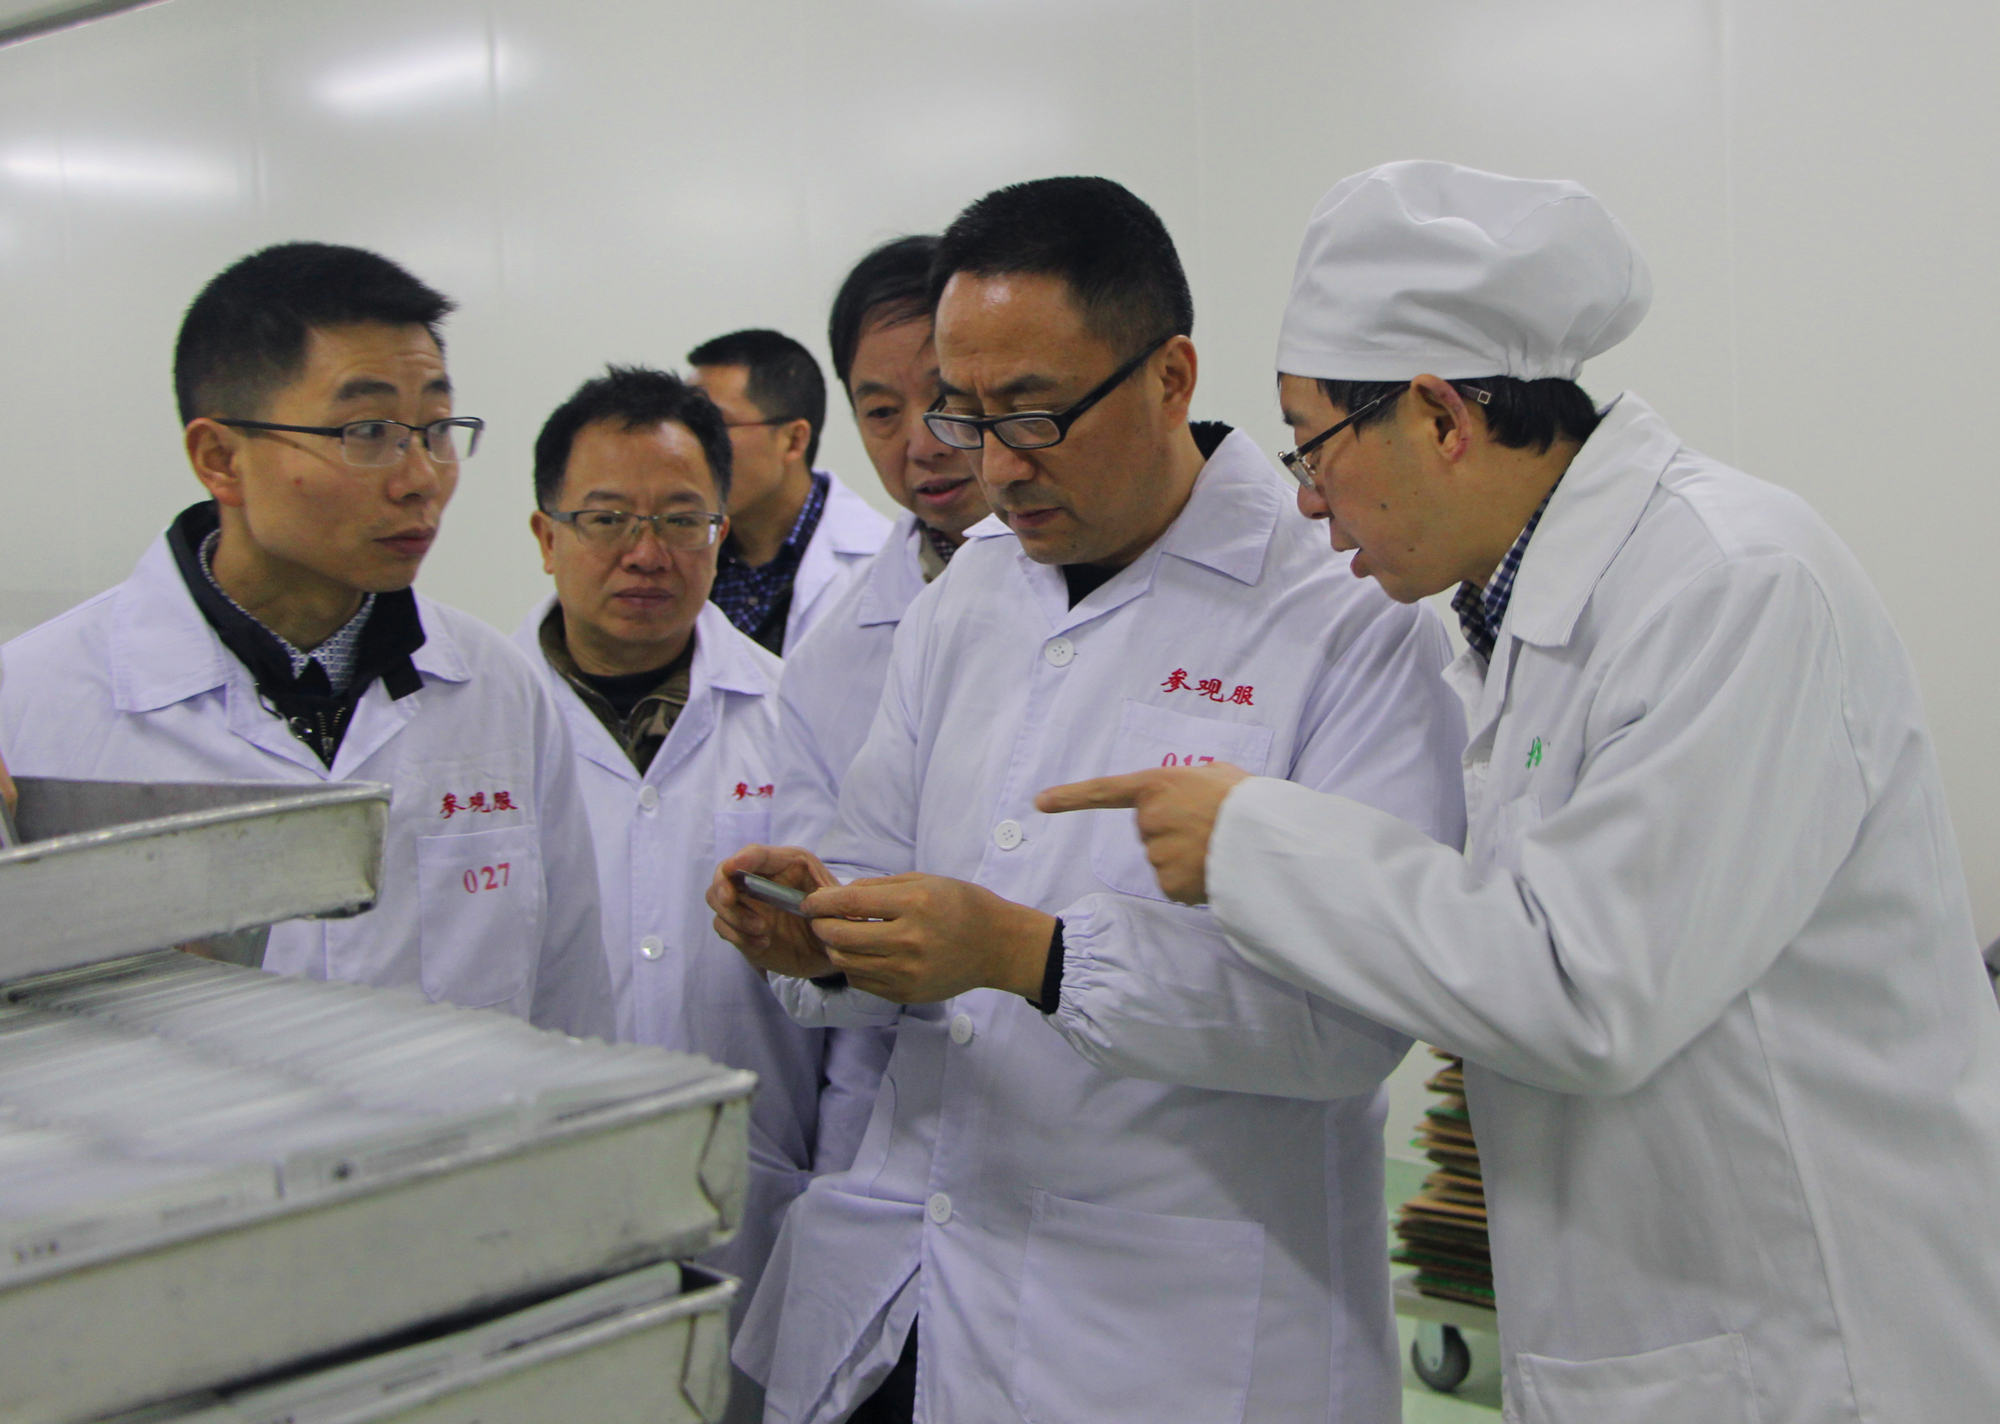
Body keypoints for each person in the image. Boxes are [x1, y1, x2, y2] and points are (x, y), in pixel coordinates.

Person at [1038, 161, 2000, 1421]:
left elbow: (1584, 988)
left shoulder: (1731, 586)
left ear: (1439, 417)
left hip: (1815, 1354)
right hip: (1656, 1329)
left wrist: (1250, 841)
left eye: (1311, 445)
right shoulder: (1521, 620)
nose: (1305, 498)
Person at [710, 178, 1467, 1424]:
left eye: (1035, 414)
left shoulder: (1344, 616)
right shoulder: (968, 597)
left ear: (1169, 376)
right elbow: (875, 860)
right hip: (907, 1291)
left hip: (1166, 1338)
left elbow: (1353, 1015)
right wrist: (828, 933)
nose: (995, 467)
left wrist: (1030, 954)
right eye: (964, 417)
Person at [0, 243, 611, 1037]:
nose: (422, 477)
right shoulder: (32, 703)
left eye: (436, 429)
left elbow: (571, 1002)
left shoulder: (496, 688)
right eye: (367, 430)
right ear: (220, 459)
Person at [514, 365, 878, 1422]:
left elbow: (858, 1002)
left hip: (749, 1219)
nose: (646, 553)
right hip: (527, 1212)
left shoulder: (799, 718)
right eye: (606, 519)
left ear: (721, 532)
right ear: (545, 536)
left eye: (682, 520)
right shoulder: (477, 727)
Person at [773, 235, 989, 850]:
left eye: (946, 397)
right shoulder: (824, 665)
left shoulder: (1109, 575)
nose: (923, 444)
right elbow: (819, 872)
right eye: (882, 413)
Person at [689, 329, 889, 653]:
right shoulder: (680, 548)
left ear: (794, 440)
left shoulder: (883, 563)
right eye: (687, 427)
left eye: (713, 427)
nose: (691, 448)